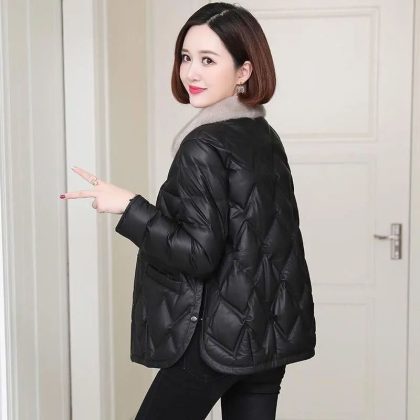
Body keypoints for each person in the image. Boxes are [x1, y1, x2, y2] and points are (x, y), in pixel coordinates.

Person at [60, 2, 316, 419]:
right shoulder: (262, 134)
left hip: (216, 337)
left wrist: (128, 207)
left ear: (244, 71)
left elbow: (198, 254)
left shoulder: (203, 144)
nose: (191, 73)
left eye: (208, 60)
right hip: (266, 333)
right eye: (185, 57)